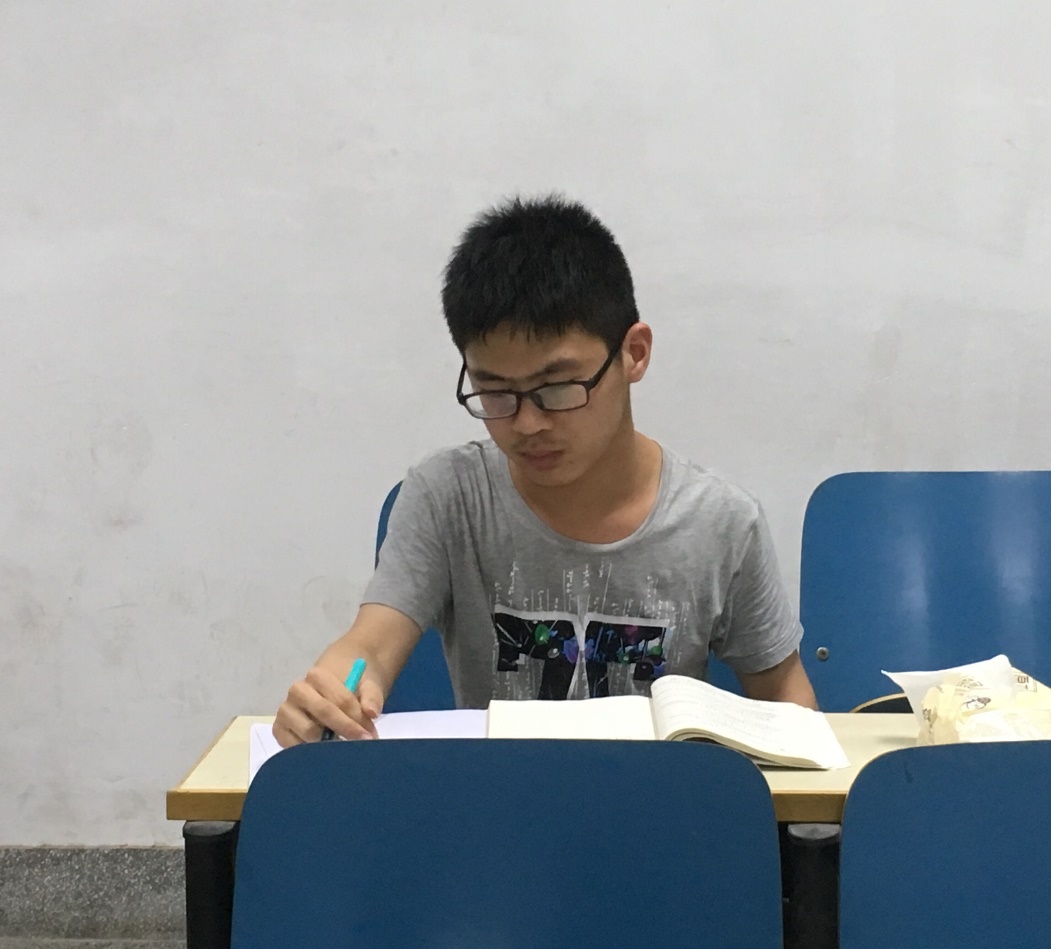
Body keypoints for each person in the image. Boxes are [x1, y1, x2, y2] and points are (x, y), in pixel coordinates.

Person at [273, 195, 817, 747]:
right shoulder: (449, 497)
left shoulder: (721, 523)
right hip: (499, 796)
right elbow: (369, 647)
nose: (527, 424)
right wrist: (332, 693)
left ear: (633, 353)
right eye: (494, 392)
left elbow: (786, 700)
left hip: (654, 798)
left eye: (556, 389)